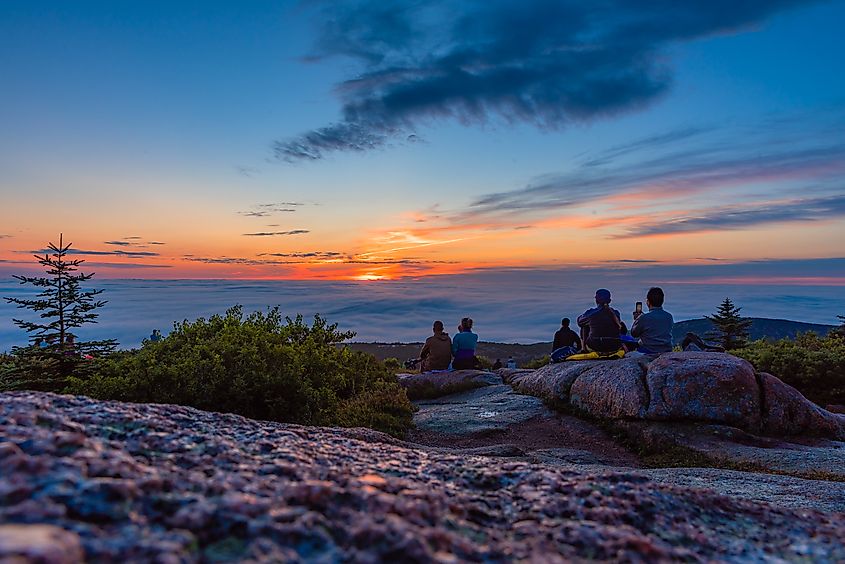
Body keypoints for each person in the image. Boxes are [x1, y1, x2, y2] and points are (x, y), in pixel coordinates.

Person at [577, 289, 623, 353]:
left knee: (584, 325)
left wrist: (583, 316)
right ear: (609, 301)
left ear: (596, 300)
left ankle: (583, 349)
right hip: (614, 346)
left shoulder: (591, 313)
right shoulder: (616, 313)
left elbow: (579, 322)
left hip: (596, 346)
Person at [630, 287, 674, 354]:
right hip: (666, 350)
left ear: (648, 302)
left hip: (648, 351)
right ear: (662, 301)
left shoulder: (643, 318)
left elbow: (634, 334)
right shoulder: (669, 316)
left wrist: (637, 319)